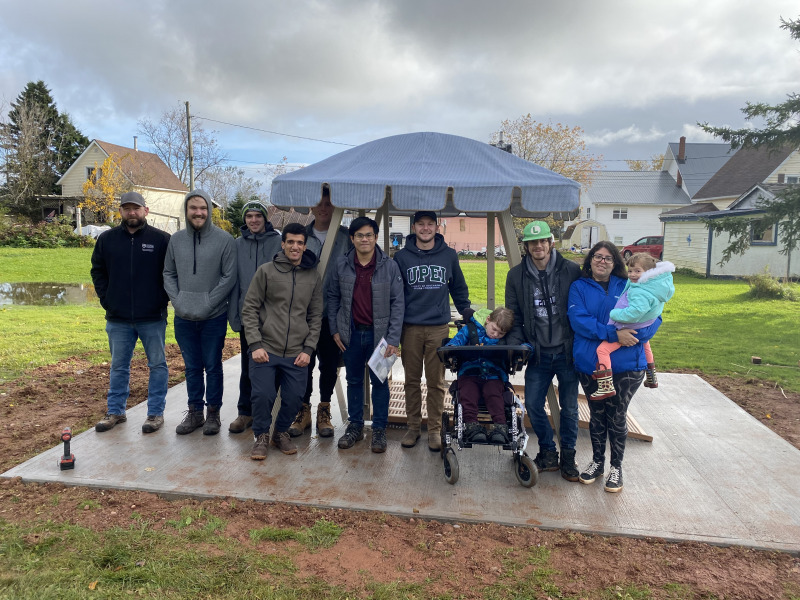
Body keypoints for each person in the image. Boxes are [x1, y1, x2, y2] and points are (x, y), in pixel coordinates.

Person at [567, 241, 662, 493]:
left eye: (608, 258)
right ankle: (597, 462)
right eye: (598, 257)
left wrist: (637, 337)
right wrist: (613, 335)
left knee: (617, 415)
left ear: (615, 263)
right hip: (591, 363)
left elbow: (655, 316)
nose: (602, 261)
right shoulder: (578, 287)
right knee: (597, 414)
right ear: (590, 261)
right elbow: (579, 321)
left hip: (628, 364)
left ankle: (616, 467)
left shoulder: (630, 283)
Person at [504, 220, 582, 481]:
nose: (538, 246)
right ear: (526, 246)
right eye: (532, 242)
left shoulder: (571, 270)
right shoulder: (516, 275)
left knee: (570, 408)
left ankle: (568, 456)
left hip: (567, 352)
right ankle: (548, 451)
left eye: (542, 241)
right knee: (534, 405)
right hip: (538, 353)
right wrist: (520, 347)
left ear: (550, 242)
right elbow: (513, 316)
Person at [91, 192, 171, 433]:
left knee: (157, 365)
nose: (131, 212)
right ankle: (115, 411)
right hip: (118, 318)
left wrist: (161, 300)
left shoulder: (162, 240)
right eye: (127, 208)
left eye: (136, 208)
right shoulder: (107, 239)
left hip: (152, 317)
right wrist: (108, 300)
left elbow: (170, 275)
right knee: (118, 366)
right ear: (121, 212)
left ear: (145, 210)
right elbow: (98, 271)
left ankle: (155, 413)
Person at [242, 222, 323, 459]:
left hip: (297, 352)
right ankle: (261, 436)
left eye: (300, 243)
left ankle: (280, 433)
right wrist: (255, 344)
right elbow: (250, 308)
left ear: (305, 245)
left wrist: (309, 349)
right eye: (291, 242)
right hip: (266, 348)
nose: (295, 247)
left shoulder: (313, 276)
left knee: (295, 397)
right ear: (283, 244)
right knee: (263, 395)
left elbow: (316, 315)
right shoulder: (266, 271)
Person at [393, 210, 473, 451]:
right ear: (414, 227)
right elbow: (396, 295)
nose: (425, 228)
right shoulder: (402, 257)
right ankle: (413, 427)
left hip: (438, 327)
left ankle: (435, 430)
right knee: (411, 381)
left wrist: (467, 311)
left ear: (437, 227)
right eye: (421, 224)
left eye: (430, 224)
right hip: (411, 328)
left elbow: (458, 287)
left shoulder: (448, 255)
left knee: (436, 382)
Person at [328, 216, 404, 453]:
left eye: (368, 235)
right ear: (352, 239)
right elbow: (332, 298)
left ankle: (379, 429)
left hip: (379, 338)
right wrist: (335, 329)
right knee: (353, 381)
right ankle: (355, 427)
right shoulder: (341, 265)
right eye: (359, 235)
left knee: (379, 382)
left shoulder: (389, 266)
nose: (364, 239)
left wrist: (393, 338)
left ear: (375, 237)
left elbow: (398, 303)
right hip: (350, 335)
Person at [163, 189, 236, 436]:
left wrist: (208, 302)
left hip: (214, 317)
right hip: (183, 317)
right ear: (186, 210)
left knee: (213, 366)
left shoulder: (225, 240)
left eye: (203, 208)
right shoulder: (176, 240)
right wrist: (179, 301)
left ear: (210, 211)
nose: (198, 212)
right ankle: (195, 412)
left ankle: (213, 414)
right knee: (192, 367)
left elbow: (228, 278)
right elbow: (168, 274)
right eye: (193, 208)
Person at [288, 186, 353, 438]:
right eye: (320, 203)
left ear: (335, 206)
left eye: (329, 203)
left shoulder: (345, 237)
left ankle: (324, 411)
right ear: (312, 206)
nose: (324, 208)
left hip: (332, 313)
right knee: (303, 363)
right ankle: (302, 411)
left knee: (328, 365)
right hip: (303, 313)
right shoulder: (300, 236)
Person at [227, 201, 282, 433]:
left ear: (265, 218)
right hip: (247, 317)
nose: (253, 220)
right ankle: (245, 412)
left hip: (273, 318)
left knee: (275, 366)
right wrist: (235, 315)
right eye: (249, 216)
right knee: (248, 366)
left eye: (257, 216)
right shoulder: (237, 245)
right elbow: (233, 281)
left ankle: (272, 412)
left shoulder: (278, 242)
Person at [590, 253, 675, 400]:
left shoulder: (639, 291)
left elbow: (636, 312)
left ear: (649, 272)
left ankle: (606, 386)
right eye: (630, 270)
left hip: (630, 327)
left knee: (602, 350)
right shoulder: (654, 288)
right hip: (643, 326)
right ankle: (651, 377)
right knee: (645, 345)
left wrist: (615, 314)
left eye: (637, 271)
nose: (632, 274)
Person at [445, 307, 515, 444]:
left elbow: (517, 344)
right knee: (468, 392)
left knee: (493, 392)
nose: (495, 335)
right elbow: (456, 341)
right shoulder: (470, 330)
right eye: (493, 329)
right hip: (470, 371)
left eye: (500, 334)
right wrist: (451, 348)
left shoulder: (505, 339)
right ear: (488, 320)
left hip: (493, 374)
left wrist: (525, 348)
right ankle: (471, 425)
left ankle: (501, 426)